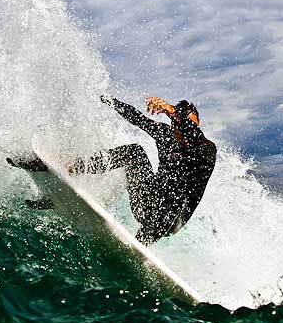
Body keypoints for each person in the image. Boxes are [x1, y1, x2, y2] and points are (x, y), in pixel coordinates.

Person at [67, 95, 217, 245]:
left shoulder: (206, 150)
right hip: (146, 202)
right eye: (180, 125)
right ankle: (72, 167)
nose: (186, 133)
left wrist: (172, 112)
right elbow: (138, 118)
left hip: (173, 218)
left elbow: (193, 133)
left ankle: (141, 243)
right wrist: (109, 100)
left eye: (191, 125)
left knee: (175, 196)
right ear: (173, 125)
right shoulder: (166, 135)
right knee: (134, 152)